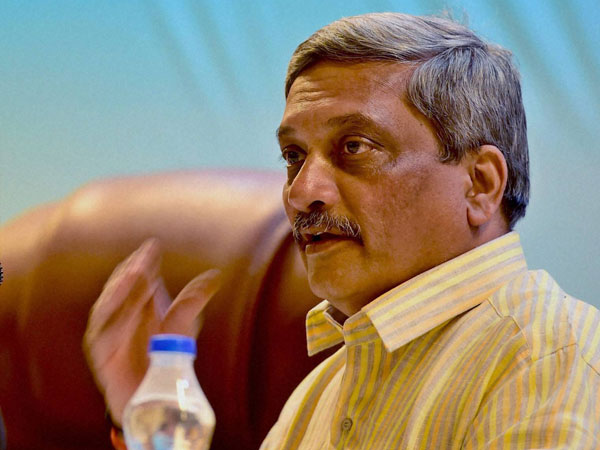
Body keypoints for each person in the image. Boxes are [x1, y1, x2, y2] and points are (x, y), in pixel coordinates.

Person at [84, 12, 600, 449]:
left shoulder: (551, 362)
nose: (301, 191)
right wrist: (150, 424)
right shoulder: (317, 396)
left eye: (355, 147)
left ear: (480, 184)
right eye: (293, 156)